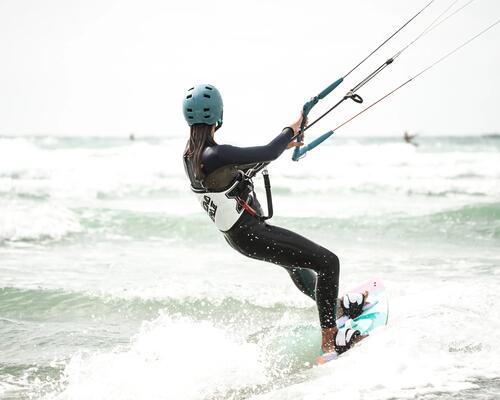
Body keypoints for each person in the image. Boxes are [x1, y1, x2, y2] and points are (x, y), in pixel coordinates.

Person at [182, 84, 367, 355]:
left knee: (295, 265)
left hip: (239, 238)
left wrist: (284, 144)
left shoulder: (191, 157)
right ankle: (332, 337)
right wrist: (290, 129)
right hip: (253, 234)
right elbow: (267, 152)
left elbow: (234, 170)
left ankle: (337, 307)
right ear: (219, 116)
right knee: (328, 262)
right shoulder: (217, 154)